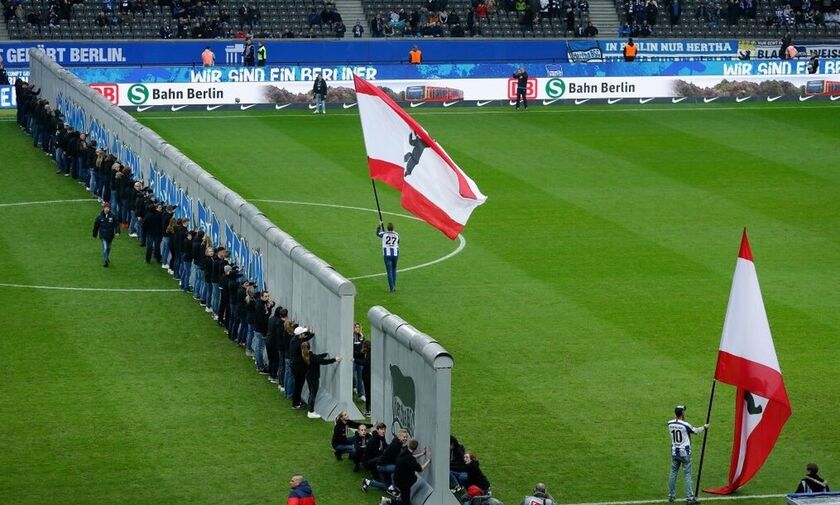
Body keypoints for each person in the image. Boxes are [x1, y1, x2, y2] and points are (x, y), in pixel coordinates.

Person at [667, 405, 708, 504]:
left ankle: (671, 496)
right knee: (687, 475)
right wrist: (704, 427)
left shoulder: (669, 423)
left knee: (673, 473)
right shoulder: (685, 425)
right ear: (682, 413)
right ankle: (690, 498)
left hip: (674, 452)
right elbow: (695, 431)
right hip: (685, 453)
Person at [381, 439, 432, 505]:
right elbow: (420, 469)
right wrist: (428, 460)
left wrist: (422, 454)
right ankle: (388, 501)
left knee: (414, 478)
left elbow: (412, 457)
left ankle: (399, 493)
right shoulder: (410, 459)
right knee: (405, 503)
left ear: (408, 445)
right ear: (415, 448)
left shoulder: (404, 452)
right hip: (403, 483)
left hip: (397, 478)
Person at [301, 340, 341, 418]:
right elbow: (323, 362)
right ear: (310, 347)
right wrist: (334, 359)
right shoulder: (312, 356)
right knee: (313, 394)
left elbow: (317, 357)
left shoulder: (305, 355)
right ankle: (311, 411)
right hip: (314, 377)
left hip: (309, 377)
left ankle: (310, 409)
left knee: (311, 393)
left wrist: (324, 354)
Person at [290, 325, 314, 409]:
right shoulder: (298, 342)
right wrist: (311, 334)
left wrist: (307, 332)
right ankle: (296, 403)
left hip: (294, 365)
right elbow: (305, 339)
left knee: (298, 385)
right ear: (300, 334)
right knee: (299, 385)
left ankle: (296, 401)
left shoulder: (294, 339)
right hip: (299, 367)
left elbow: (303, 337)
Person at [92, 202, 120, 267]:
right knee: (105, 248)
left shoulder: (113, 216)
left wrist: (117, 232)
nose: (107, 209)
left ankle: (107, 257)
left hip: (110, 235)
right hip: (103, 235)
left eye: (108, 208)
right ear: (103, 208)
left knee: (109, 248)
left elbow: (116, 224)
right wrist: (94, 234)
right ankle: (105, 261)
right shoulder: (99, 216)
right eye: (106, 208)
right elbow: (96, 226)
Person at [376, 222, 400, 292]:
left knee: (389, 271)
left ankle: (391, 287)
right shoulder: (397, 234)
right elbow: (398, 242)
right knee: (394, 269)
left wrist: (379, 226)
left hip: (387, 254)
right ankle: (394, 285)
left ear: (387, 228)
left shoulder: (384, 234)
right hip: (395, 254)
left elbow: (377, 233)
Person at [353, 322, 367, 402]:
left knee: (360, 378)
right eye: (356, 327)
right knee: (352, 375)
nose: (357, 329)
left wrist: (362, 339)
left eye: (358, 327)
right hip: (353, 360)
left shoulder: (362, 337)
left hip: (360, 361)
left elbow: (363, 349)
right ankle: (354, 386)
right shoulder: (351, 337)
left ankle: (361, 394)